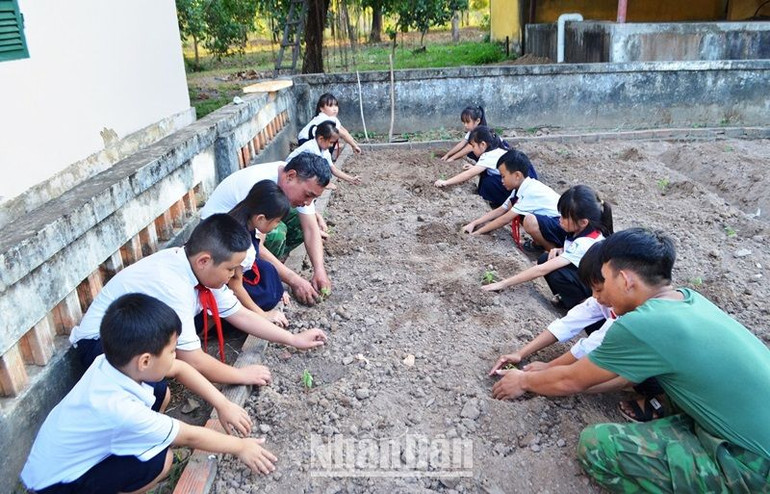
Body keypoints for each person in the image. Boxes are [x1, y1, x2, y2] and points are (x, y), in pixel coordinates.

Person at [490, 228, 770, 492]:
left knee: (597, 446)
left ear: (625, 280)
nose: (599, 293)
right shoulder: (687, 300)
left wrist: (525, 380)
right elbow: (619, 377)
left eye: (604, 278)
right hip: (750, 430)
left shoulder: (644, 324)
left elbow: (570, 380)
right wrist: (545, 377)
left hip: (754, 465)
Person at [21, 294, 277, 494]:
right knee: (161, 461)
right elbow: (189, 436)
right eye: (172, 350)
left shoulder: (106, 363)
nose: (175, 355)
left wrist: (222, 403)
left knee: (160, 392)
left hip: (57, 460)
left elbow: (178, 368)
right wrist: (241, 447)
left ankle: (138, 445)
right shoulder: (119, 409)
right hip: (56, 484)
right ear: (144, 361)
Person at [69, 214, 327, 406]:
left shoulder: (199, 271)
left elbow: (239, 313)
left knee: (159, 387)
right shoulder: (173, 285)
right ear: (205, 260)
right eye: (230, 269)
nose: (234, 276)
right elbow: (192, 359)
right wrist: (238, 374)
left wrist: (293, 339)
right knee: (158, 394)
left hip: (136, 338)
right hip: (101, 345)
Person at [199, 153, 332, 305]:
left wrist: (319, 270)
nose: (308, 203)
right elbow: (257, 246)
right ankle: (254, 274)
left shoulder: (291, 179)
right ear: (290, 176)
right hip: (219, 236)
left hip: (247, 233)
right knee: (277, 233)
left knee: (302, 221)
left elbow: (310, 228)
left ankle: (273, 266)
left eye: (313, 198)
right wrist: (294, 280)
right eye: (307, 195)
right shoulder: (259, 182)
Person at [483, 184, 613, 312]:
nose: (560, 220)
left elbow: (541, 270)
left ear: (583, 222)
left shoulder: (584, 243)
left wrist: (503, 283)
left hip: (596, 291)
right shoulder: (587, 232)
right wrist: (562, 250)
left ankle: (580, 305)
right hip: (589, 280)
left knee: (554, 271)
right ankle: (569, 298)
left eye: (564, 217)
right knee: (546, 258)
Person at [462, 149, 560, 252]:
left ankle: (551, 251)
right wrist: (473, 224)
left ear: (517, 175)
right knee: (522, 214)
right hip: (552, 224)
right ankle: (539, 244)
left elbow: (505, 219)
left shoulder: (530, 191)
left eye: (503, 176)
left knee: (529, 221)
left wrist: (478, 232)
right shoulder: (519, 189)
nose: (502, 181)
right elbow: (501, 209)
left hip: (560, 227)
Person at [227, 180, 291, 326]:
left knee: (267, 268)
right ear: (261, 218)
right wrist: (262, 315)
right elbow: (234, 284)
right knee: (268, 296)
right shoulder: (241, 244)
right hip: (224, 287)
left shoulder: (240, 217)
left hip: (238, 276)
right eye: (277, 221)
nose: (277, 225)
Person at [435, 126, 537, 209]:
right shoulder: (497, 148)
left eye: (473, 146)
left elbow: (468, 174)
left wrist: (446, 182)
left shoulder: (489, 156)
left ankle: (504, 202)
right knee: (486, 176)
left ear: (483, 144)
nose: (473, 150)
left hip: (521, 183)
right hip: (527, 174)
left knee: (487, 183)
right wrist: (474, 167)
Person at [287, 120, 361, 188]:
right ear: (321, 139)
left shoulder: (324, 150)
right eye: (331, 142)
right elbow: (313, 170)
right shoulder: (311, 148)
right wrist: (324, 184)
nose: (332, 145)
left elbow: (333, 169)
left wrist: (351, 179)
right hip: (291, 172)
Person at [297, 92, 361, 159]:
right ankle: (325, 159)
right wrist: (354, 146)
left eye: (336, 105)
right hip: (305, 140)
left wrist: (352, 140)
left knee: (333, 136)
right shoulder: (323, 118)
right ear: (321, 109)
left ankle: (326, 158)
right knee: (333, 136)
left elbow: (343, 130)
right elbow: (342, 134)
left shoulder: (332, 118)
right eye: (330, 106)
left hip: (310, 139)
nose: (335, 109)